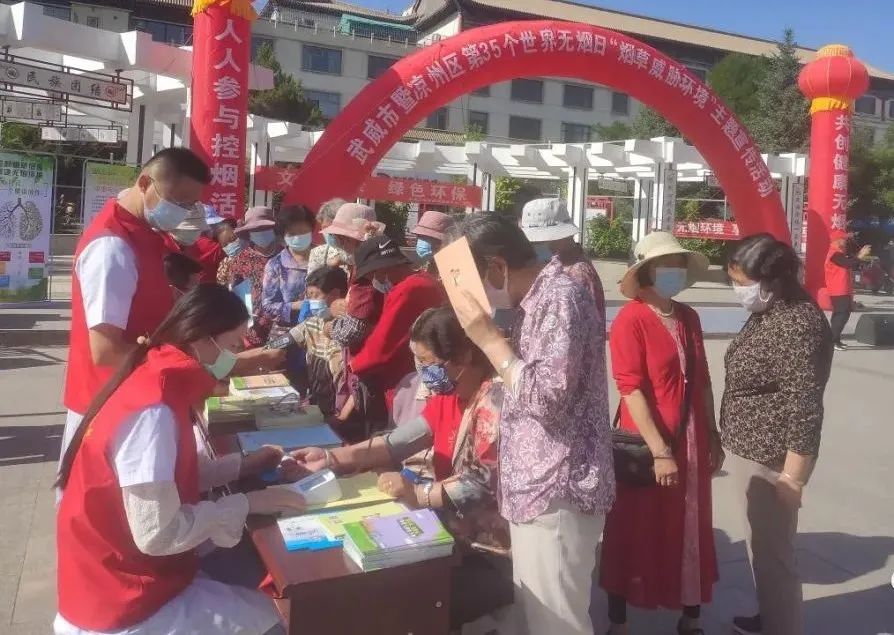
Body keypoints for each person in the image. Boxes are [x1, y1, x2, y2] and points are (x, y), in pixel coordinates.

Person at [54, 284, 306, 635]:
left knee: (244, 575)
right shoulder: (153, 412)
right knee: (278, 620)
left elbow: (168, 476)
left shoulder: (154, 379)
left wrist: (245, 464)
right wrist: (247, 503)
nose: (236, 356)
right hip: (120, 597)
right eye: (234, 345)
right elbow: (157, 533)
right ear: (202, 340)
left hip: (111, 576)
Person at [292, 306, 512, 630]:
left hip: (488, 554)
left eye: (428, 363)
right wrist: (331, 459)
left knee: (397, 603)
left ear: (463, 356)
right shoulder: (450, 394)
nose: (423, 373)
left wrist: (417, 494)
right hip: (451, 538)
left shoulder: (494, 401)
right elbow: (396, 443)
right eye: (418, 362)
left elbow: (482, 483)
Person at [451, 213, 614, 635]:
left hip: (557, 486)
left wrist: (489, 339)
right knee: (534, 615)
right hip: (536, 487)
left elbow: (546, 399)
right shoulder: (534, 300)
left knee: (557, 624)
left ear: (497, 267)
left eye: (470, 282)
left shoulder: (559, 298)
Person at [600, 232, 721, 635]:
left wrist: (713, 434)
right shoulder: (630, 319)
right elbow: (630, 389)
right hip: (648, 444)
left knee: (690, 525)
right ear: (648, 271)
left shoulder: (689, 317)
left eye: (680, 264)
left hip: (692, 440)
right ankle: (619, 621)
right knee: (634, 528)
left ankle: (691, 616)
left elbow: (703, 380)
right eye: (668, 264)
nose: (676, 271)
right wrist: (660, 452)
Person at [62, 148, 211, 466]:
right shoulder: (112, 248)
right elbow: (106, 351)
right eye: (178, 202)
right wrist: (186, 372)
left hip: (134, 398)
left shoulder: (142, 234)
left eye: (190, 205)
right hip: (110, 406)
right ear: (145, 183)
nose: (183, 212)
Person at [722, 234, 833, 635]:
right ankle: (771, 616)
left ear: (771, 280)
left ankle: (782, 625)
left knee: (774, 555)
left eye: (743, 282)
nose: (738, 290)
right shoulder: (772, 310)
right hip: (750, 445)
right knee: (761, 547)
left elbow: (806, 406)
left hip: (771, 457)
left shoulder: (797, 324)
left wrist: (793, 476)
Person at [348, 236, 444, 432]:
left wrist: (353, 366)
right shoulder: (425, 280)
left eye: (373, 275)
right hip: (420, 373)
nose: (374, 281)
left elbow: (383, 344)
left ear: (381, 270)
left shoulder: (408, 290)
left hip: (406, 379)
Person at [283, 266, 348, 419]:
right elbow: (282, 343)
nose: (311, 302)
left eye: (315, 295)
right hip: (318, 408)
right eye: (309, 296)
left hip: (343, 412)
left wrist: (341, 418)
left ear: (335, 294)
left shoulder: (350, 328)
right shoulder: (313, 322)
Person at [520, 198, 606, 312]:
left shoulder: (576, 274)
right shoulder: (564, 265)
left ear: (563, 237)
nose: (536, 247)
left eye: (540, 242)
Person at [323, 203, 387, 353]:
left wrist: (328, 328)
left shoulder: (366, 273)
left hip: (367, 354)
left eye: (339, 238)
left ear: (349, 239)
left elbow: (352, 330)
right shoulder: (362, 265)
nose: (338, 242)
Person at [224, 206, 281, 347]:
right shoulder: (241, 259)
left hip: (283, 328)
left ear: (273, 230)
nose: (261, 234)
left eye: (265, 229)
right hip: (253, 331)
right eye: (256, 231)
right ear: (249, 234)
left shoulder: (286, 255)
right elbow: (233, 295)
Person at [261, 204, 315, 342]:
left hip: (318, 334)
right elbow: (267, 306)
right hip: (285, 335)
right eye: (292, 233)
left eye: (303, 232)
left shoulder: (325, 258)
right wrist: (296, 306)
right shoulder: (276, 264)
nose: (298, 237)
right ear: (284, 235)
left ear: (311, 230)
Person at [826, 236, 871, 350]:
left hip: (842, 289)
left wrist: (859, 254)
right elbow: (848, 264)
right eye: (843, 240)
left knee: (841, 314)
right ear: (836, 241)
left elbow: (851, 261)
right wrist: (861, 255)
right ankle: (832, 341)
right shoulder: (834, 254)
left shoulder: (839, 254)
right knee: (841, 315)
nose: (845, 242)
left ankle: (836, 340)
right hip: (838, 290)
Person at [308, 198, 350, 274]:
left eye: (333, 228)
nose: (330, 233)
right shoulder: (318, 253)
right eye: (325, 228)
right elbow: (313, 280)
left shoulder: (360, 249)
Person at [410, 210, 456, 275]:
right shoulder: (412, 269)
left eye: (426, 237)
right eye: (420, 236)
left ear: (442, 243)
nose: (421, 241)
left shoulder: (454, 269)